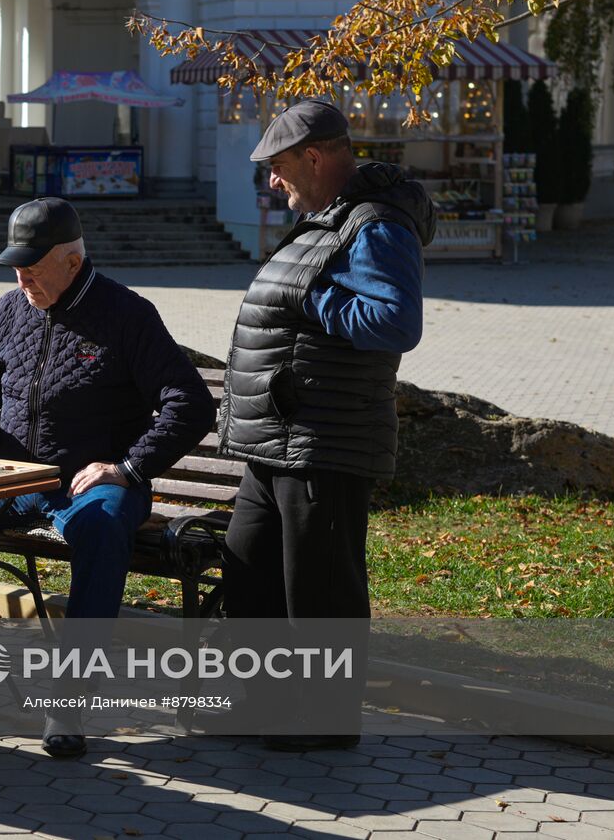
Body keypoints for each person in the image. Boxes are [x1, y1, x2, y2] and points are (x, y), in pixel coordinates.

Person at [0, 197, 216, 759]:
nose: (21, 275)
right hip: (9, 479)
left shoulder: (127, 314)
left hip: (90, 483)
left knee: (103, 528)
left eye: (32, 265)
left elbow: (190, 404)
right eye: (16, 263)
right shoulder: (12, 307)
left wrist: (128, 468)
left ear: (73, 262)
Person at [218, 99, 434, 752]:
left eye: (278, 168)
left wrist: (315, 298)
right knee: (249, 572)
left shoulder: (375, 226)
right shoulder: (328, 219)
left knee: (321, 592)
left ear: (314, 158)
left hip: (324, 441)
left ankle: (325, 718)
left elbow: (396, 321)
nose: (272, 182)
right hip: (276, 442)